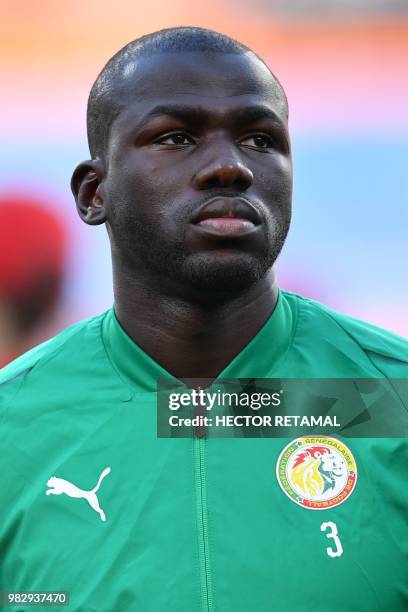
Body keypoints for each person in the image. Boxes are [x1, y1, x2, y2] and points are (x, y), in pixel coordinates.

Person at [0, 26, 407, 612]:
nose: (230, 167)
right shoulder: (15, 423)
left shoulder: (391, 395)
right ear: (94, 193)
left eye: (260, 140)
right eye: (178, 136)